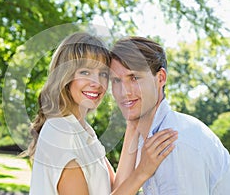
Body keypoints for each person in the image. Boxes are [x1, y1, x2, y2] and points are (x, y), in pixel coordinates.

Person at [28, 32, 178, 195]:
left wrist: (132, 125)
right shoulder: (59, 132)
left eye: (103, 74)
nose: (97, 83)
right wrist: (142, 171)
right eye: (85, 72)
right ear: (65, 76)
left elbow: (115, 189)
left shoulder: (84, 131)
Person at [110, 36, 230, 194]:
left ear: (160, 78)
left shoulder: (174, 143)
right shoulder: (148, 137)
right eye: (116, 80)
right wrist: (132, 125)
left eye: (134, 78)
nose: (124, 92)